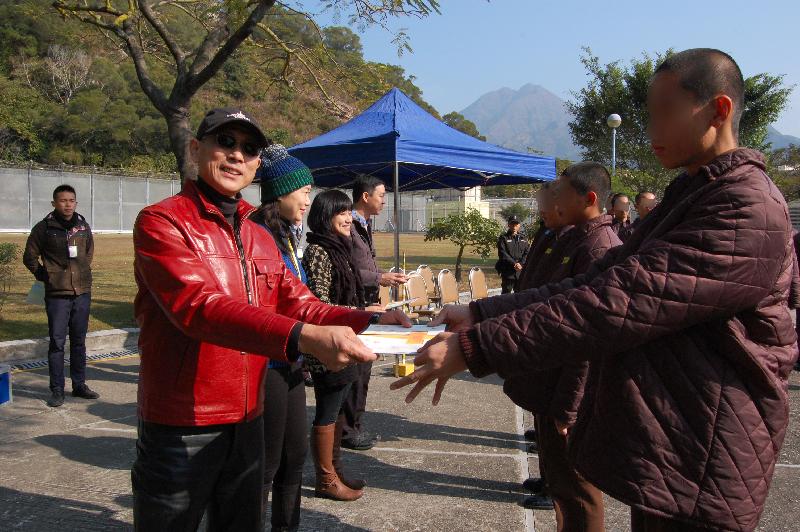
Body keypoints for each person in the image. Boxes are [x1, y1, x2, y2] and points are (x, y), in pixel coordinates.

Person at [392, 49, 798, 532]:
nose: (651, 132)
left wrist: (478, 346)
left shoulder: (743, 205)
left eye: (664, 112)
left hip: (710, 438)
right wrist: (483, 313)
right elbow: (601, 281)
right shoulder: (694, 191)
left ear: (718, 109)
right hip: (680, 433)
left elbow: (622, 301)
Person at [131, 107, 409, 531]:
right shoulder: (162, 221)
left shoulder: (257, 234)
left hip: (248, 417)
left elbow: (298, 302)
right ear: (195, 148)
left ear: (258, 164)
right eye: (224, 142)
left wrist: (367, 320)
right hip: (183, 423)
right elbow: (199, 307)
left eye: (248, 148)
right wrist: (305, 337)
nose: (236, 155)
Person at [505, 162, 619, 530]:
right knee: (563, 490)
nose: (552, 199)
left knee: (577, 491)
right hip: (548, 378)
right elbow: (536, 297)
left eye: (560, 193)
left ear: (588, 199)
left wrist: (570, 405)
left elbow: (589, 338)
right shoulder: (570, 235)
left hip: (568, 389)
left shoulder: (598, 247)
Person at [303, 189, 383, 501]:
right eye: (341, 213)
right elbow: (318, 302)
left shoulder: (341, 248)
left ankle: (335, 469)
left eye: (349, 212)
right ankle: (325, 479)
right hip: (328, 345)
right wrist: (359, 313)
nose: (348, 218)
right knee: (328, 408)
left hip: (346, 340)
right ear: (325, 217)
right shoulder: (319, 251)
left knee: (337, 410)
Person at [253, 143, 314, 531]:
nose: (308, 199)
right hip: (266, 363)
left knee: (295, 456)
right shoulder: (259, 236)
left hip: (292, 360)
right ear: (281, 193)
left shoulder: (288, 236)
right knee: (267, 462)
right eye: (304, 191)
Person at [344, 175, 407, 451]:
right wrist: (381, 278)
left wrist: (383, 277)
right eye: (381, 195)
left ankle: (354, 425)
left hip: (369, 303)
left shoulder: (365, 225)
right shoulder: (348, 225)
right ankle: (348, 429)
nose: (384, 201)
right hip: (356, 306)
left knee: (364, 371)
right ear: (365, 197)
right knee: (355, 371)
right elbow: (351, 269)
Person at [23, 184, 98, 408]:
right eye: (63, 200)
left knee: (79, 341)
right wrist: (45, 275)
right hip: (57, 294)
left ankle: (79, 384)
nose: (68, 204)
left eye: (71, 200)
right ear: (54, 203)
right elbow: (29, 257)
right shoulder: (44, 228)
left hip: (81, 292)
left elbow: (88, 252)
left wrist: (81, 274)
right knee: (57, 342)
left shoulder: (82, 226)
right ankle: (57, 389)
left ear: (76, 202)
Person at [495, 215, 530, 294]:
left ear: (519, 225)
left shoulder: (523, 238)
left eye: (516, 224)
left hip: (520, 271)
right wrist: (514, 264)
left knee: (520, 294)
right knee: (506, 293)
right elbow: (502, 253)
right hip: (508, 271)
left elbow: (527, 253)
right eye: (512, 224)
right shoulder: (504, 238)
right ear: (508, 225)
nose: (514, 226)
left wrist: (521, 264)